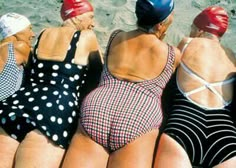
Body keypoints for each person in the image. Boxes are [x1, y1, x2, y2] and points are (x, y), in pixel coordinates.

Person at [62, 0, 181, 167]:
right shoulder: (172, 54)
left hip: (99, 106)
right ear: (161, 24)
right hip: (139, 115)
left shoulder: (116, 36)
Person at [0, 0, 103, 167]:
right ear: (76, 17)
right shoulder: (86, 36)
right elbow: (98, 75)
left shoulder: (43, 33)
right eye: (90, 17)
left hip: (19, 104)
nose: (93, 23)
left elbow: (31, 71)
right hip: (54, 110)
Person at [154, 6, 236, 168]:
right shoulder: (232, 57)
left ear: (199, 30)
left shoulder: (187, 43)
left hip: (185, 125)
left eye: (192, 28)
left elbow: (166, 81)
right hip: (224, 136)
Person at [0, 12, 34, 101]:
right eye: (29, 29)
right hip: (5, 107)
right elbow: (36, 70)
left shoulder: (3, 47)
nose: (33, 34)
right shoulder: (19, 47)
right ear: (16, 31)